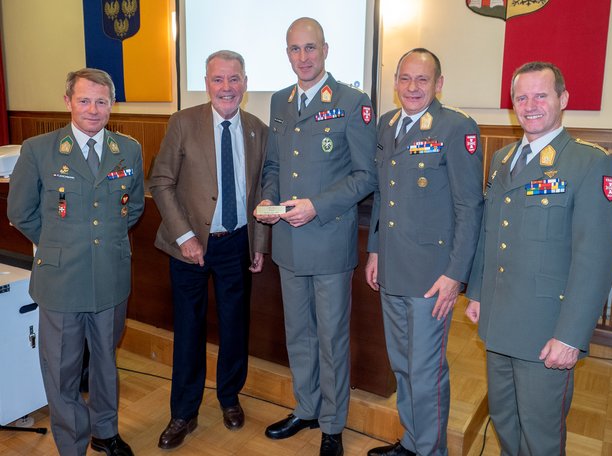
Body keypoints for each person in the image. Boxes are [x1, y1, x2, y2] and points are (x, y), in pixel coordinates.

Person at [465, 61, 612, 455]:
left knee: (541, 433)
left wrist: (570, 335)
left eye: (541, 95)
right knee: (505, 420)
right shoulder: (503, 160)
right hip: (500, 322)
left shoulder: (588, 163)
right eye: (521, 96)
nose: (530, 105)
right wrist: (479, 293)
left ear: (562, 99)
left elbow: (595, 258)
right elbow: (490, 234)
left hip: (546, 330)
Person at [254, 17, 377, 456]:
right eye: (294, 49)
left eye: (310, 48)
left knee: (331, 338)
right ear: (286, 53)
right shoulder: (279, 102)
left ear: (325, 50)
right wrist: (269, 201)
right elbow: (272, 167)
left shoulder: (353, 102)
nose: (302, 58)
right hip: (288, 243)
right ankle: (305, 408)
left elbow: (366, 175)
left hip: (327, 241)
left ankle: (332, 423)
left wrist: (316, 206)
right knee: (298, 334)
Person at [7, 68, 143, 456]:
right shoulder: (38, 149)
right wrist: (59, 245)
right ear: (68, 102)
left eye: (101, 101)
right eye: (84, 100)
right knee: (62, 371)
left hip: (111, 278)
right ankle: (72, 444)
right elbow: (21, 212)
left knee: (105, 363)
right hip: (61, 280)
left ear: (111, 105)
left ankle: (105, 431)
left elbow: (131, 208)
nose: (93, 109)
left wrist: (100, 243)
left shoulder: (128, 149)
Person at [365, 49, 484, 456]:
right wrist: (374, 251)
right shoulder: (386, 125)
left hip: (433, 275)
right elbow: (383, 196)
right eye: (405, 79)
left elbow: (470, 207)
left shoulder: (456, 127)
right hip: (393, 265)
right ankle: (413, 441)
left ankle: (430, 451)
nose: (412, 87)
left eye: (422, 79)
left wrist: (456, 274)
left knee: (426, 369)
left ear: (439, 84)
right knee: (402, 363)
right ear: (395, 82)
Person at [149, 50, 269, 450]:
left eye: (234, 79)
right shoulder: (183, 123)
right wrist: (184, 236)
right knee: (188, 329)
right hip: (189, 246)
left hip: (235, 242)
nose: (226, 87)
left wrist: (259, 243)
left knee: (236, 326)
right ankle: (183, 411)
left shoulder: (256, 128)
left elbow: (262, 192)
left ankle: (229, 397)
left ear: (245, 84)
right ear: (207, 83)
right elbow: (161, 181)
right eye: (218, 79)